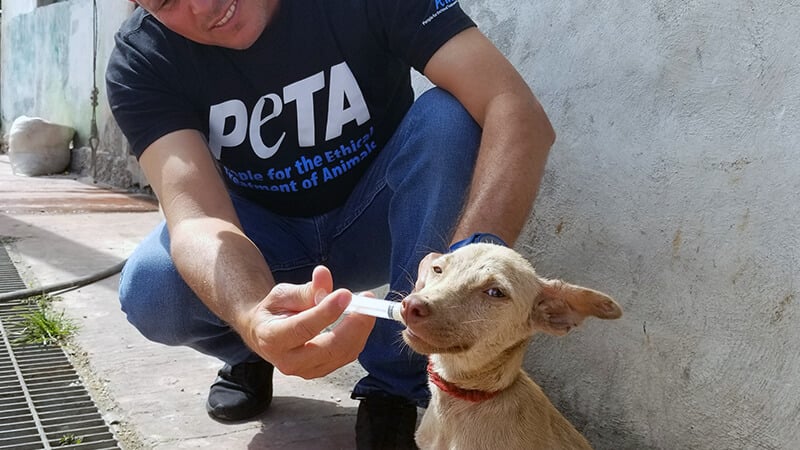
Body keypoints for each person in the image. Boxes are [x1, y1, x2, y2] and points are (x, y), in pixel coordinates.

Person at [105, 0, 554, 448]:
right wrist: (250, 316)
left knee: (449, 115)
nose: (205, 7)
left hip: (380, 220)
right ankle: (254, 351)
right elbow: (197, 217)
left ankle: (393, 386)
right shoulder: (144, 57)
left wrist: (468, 262)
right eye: (166, 2)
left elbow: (510, 104)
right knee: (153, 287)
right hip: (266, 245)